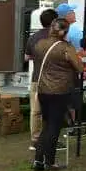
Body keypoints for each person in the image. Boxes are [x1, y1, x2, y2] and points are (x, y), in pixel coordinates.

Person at [32, 18, 84, 171]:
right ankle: (49, 161)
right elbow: (79, 67)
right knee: (54, 126)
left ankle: (38, 160)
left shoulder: (39, 44)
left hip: (42, 90)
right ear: (65, 32)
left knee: (46, 125)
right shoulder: (65, 48)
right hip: (60, 90)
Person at [25, 8, 58, 151]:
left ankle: (35, 140)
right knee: (52, 111)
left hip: (36, 78)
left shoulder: (33, 37)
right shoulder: (57, 38)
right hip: (53, 80)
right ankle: (50, 139)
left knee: (35, 110)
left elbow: (26, 57)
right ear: (54, 22)